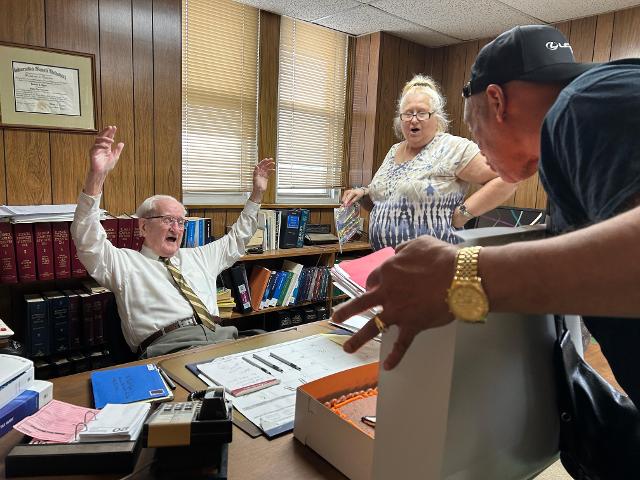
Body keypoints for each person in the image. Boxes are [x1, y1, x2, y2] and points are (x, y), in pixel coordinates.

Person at [331, 25, 640, 408]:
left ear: (496, 101)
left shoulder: (587, 102)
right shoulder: (571, 134)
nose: (479, 150)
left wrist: (462, 272)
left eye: (475, 132)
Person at [71, 126, 275, 358]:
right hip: (170, 348)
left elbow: (238, 238)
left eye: (181, 222)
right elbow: (87, 240)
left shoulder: (198, 257)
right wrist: (96, 177)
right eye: (168, 220)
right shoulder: (124, 264)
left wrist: (257, 195)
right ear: (144, 226)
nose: (177, 228)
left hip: (221, 338)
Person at [341, 74, 516, 249]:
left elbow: (507, 176)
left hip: (433, 265)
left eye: (422, 113)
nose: (414, 119)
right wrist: (363, 193)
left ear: (436, 117)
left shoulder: (453, 148)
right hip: (384, 262)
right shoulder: (394, 150)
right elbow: (385, 200)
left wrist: (463, 214)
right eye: (408, 113)